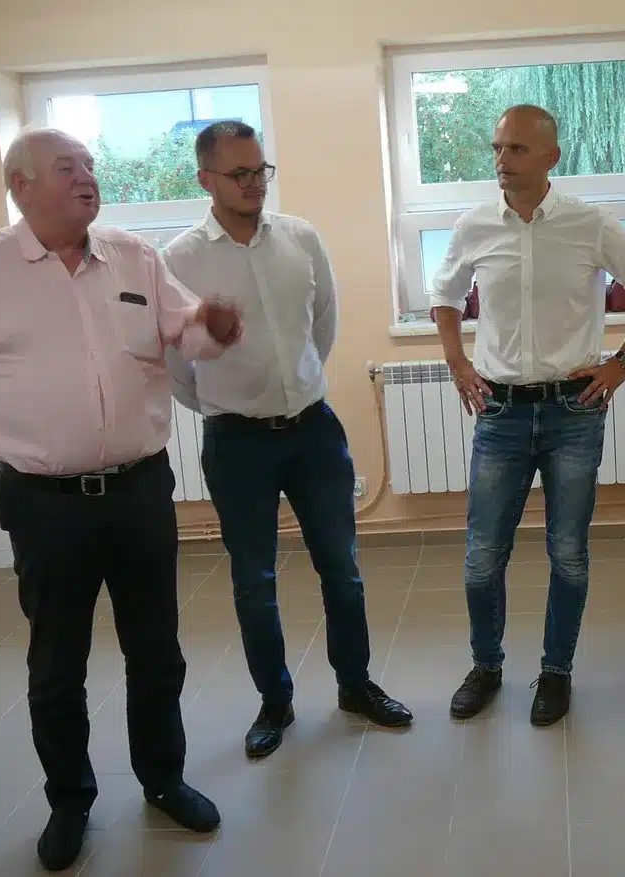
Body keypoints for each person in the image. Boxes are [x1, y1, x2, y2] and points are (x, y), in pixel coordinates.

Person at [0, 127, 242, 871]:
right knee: (57, 662)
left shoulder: (133, 256)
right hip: (44, 503)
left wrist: (211, 327)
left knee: (155, 650)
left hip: (139, 491)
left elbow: (185, 331)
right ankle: (70, 799)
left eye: (90, 166)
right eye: (67, 168)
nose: (86, 177)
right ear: (21, 186)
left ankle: (163, 777)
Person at [163, 121, 412, 761]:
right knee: (254, 580)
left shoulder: (300, 238)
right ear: (206, 179)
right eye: (239, 173)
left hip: (313, 431)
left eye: (261, 170)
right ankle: (275, 702)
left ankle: (355, 684)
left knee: (342, 570)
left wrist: (294, 386)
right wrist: (227, 407)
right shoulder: (180, 260)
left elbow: (322, 325)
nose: (255, 184)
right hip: (235, 442)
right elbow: (176, 365)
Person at [432, 105, 625, 727]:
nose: (501, 160)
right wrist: (458, 363)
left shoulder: (589, 224)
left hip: (573, 411)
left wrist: (622, 362)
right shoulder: (475, 225)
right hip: (500, 411)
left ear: (550, 158)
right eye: (497, 148)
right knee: (482, 558)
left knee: (567, 553)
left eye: (515, 149)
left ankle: (556, 671)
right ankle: (486, 666)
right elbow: (444, 296)